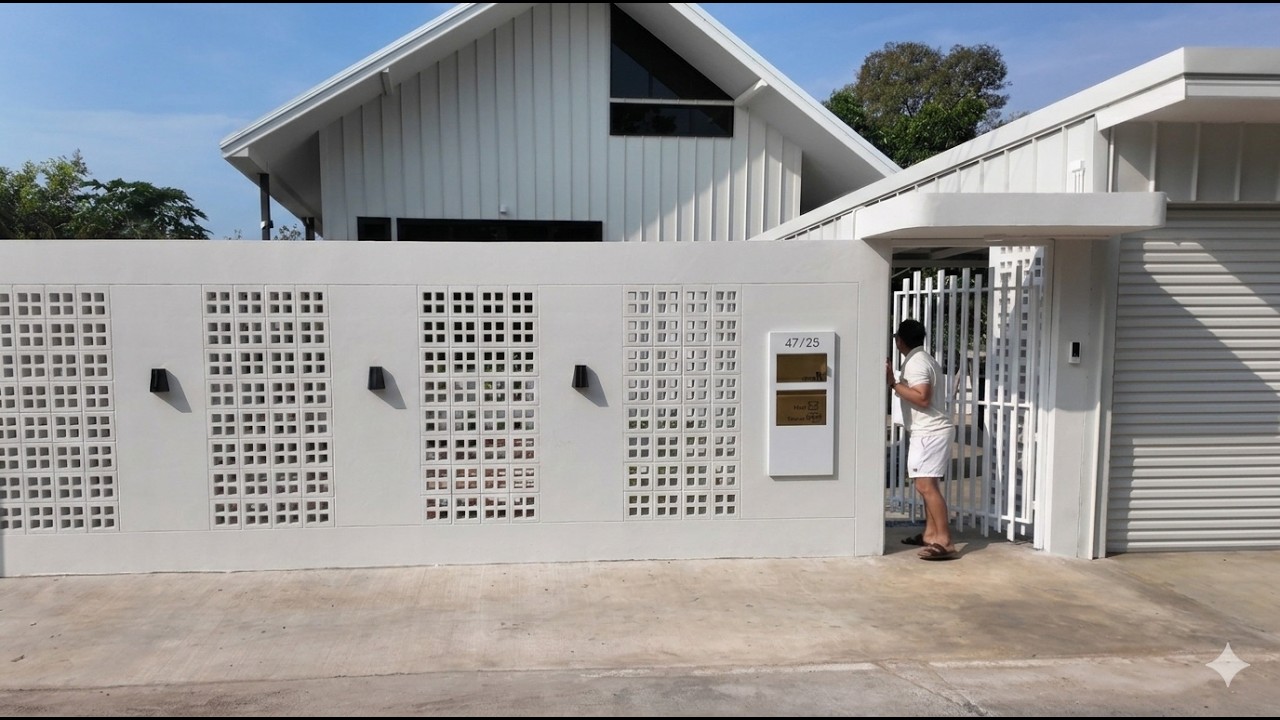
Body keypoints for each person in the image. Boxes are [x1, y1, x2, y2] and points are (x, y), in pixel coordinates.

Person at [886, 318, 958, 561]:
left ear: (901, 340)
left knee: (924, 486)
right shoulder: (922, 358)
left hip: (930, 432)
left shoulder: (917, 362)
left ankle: (945, 541)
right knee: (928, 485)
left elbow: (923, 397)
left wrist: (893, 384)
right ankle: (930, 534)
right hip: (929, 431)